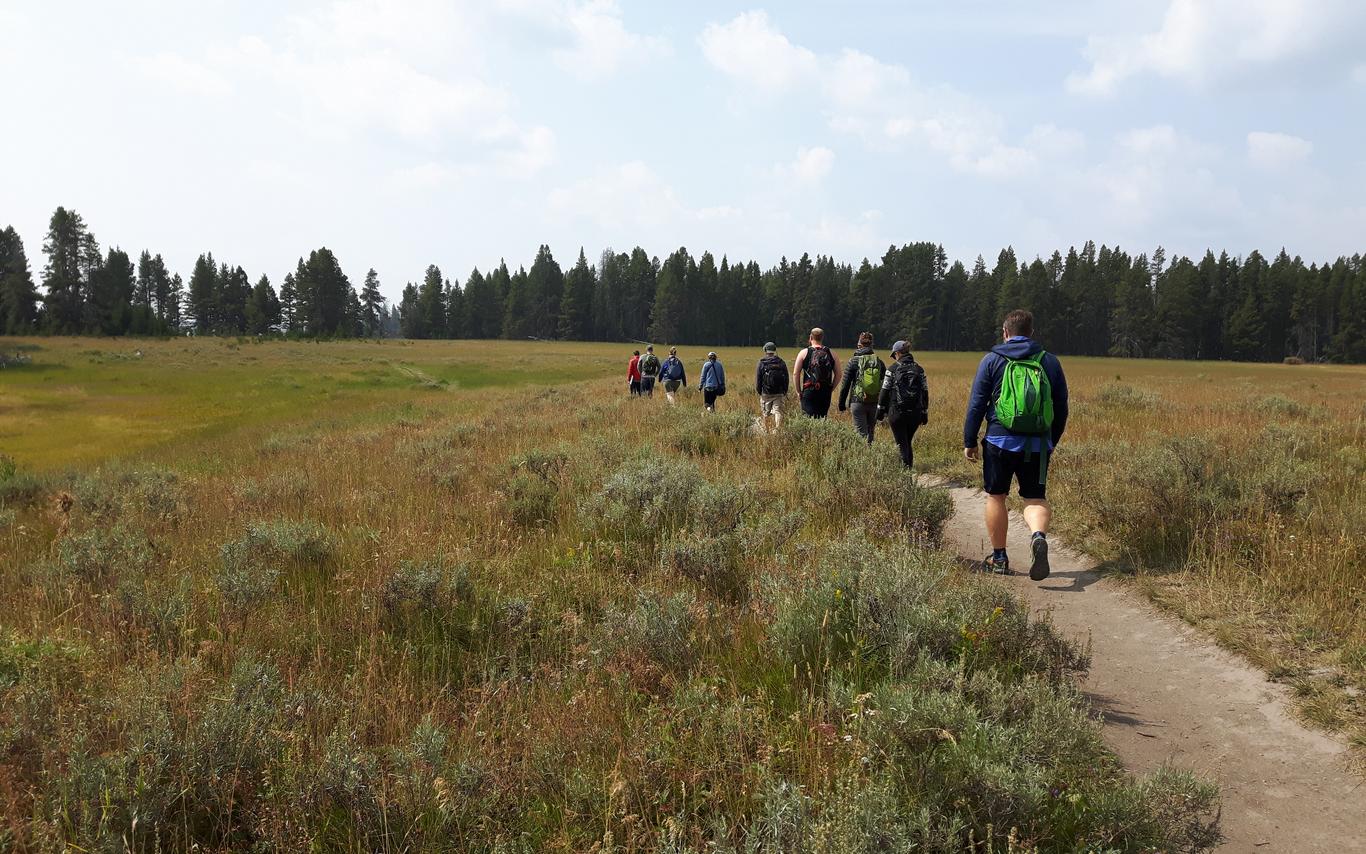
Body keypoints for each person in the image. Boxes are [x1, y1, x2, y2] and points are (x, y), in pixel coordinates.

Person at [963, 309, 1069, 580]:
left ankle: (999, 558)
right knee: (1035, 498)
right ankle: (1037, 536)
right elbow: (1060, 409)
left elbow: (977, 403)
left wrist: (970, 440)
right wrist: (1050, 442)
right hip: (1037, 444)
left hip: (999, 439)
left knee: (996, 496)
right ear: (1031, 332)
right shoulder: (1050, 362)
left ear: (1005, 331)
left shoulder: (992, 360)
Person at [876, 340, 928, 468]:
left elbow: (884, 391)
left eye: (894, 355)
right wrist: (924, 412)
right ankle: (909, 472)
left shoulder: (892, 369)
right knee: (907, 442)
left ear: (898, 353)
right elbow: (925, 392)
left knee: (901, 444)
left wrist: (880, 411)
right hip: (915, 413)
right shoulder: (919, 370)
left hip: (896, 413)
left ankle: (905, 476)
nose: (894, 357)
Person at [837, 331, 884, 443]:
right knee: (871, 433)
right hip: (874, 402)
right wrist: (883, 406)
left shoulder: (853, 361)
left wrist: (841, 404)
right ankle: (872, 457)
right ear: (872, 345)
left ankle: (864, 457)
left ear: (859, 345)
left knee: (861, 434)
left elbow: (845, 385)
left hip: (857, 401)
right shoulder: (878, 361)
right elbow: (885, 384)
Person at [792, 327, 840, 419]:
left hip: (809, 390)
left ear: (810, 338)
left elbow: (796, 373)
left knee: (808, 420)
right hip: (825, 391)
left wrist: (798, 391)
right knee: (822, 419)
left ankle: (811, 434)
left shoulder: (803, 353)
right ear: (822, 338)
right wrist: (831, 388)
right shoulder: (831, 353)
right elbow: (839, 374)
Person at [755, 342, 789, 433]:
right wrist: (785, 390)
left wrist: (759, 391)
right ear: (774, 350)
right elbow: (786, 377)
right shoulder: (781, 362)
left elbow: (758, 379)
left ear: (765, 350)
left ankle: (766, 431)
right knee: (778, 411)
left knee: (766, 413)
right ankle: (777, 430)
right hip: (779, 392)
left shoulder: (762, 362)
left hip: (766, 393)